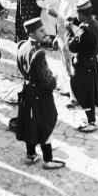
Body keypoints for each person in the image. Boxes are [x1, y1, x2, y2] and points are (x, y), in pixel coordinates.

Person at [15, 17, 65, 169]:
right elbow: (46, 79)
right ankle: (48, 160)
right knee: (46, 123)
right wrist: (54, 80)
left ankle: (30, 155)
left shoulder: (22, 46)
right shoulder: (39, 53)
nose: (45, 33)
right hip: (40, 94)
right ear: (32, 33)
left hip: (27, 91)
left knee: (30, 123)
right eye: (41, 31)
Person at [67, 0, 98, 133]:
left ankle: (91, 122)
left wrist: (71, 31)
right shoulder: (97, 23)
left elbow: (73, 47)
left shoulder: (85, 29)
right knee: (89, 92)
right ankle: (90, 119)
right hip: (92, 61)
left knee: (85, 94)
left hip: (83, 64)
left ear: (81, 14)